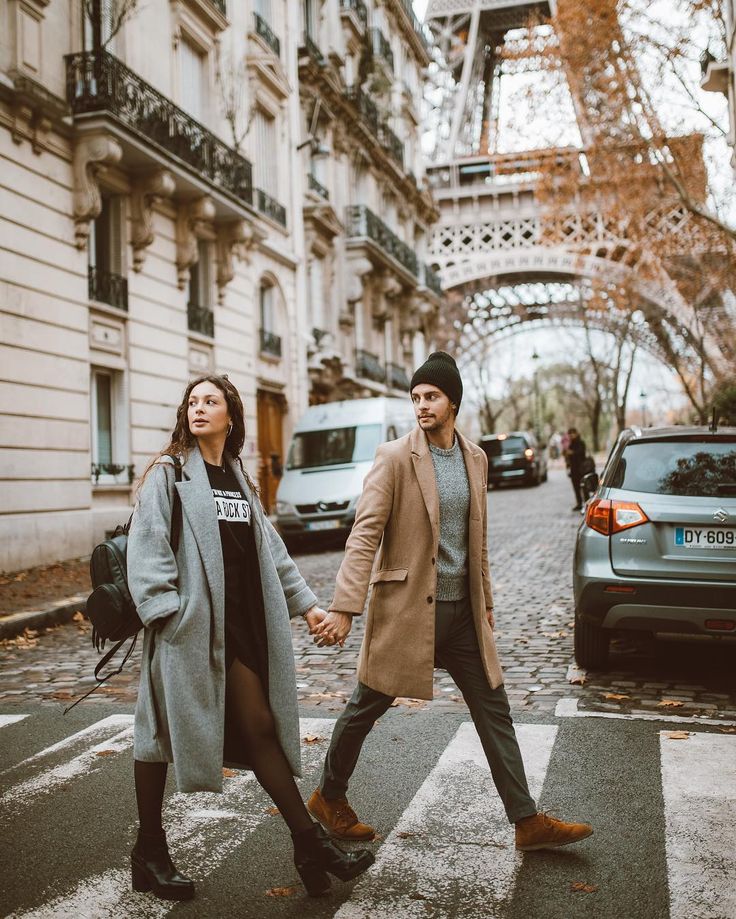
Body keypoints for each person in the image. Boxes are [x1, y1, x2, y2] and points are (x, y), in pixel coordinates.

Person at [306, 352, 593, 852]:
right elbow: (364, 534)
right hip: (407, 609)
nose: (421, 405)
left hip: (462, 614)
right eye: (416, 397)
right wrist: (345, 608)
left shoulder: (475, 457)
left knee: (494, 707)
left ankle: (526, 820)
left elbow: (476, 536)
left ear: (452, 401)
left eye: (431, 396)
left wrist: (484, 599)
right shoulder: (395, 457)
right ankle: (329, 796)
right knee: (364, 707)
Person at [126, 374, 374, 901]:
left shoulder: (238, 477)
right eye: (192, 401)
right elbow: (146, 552)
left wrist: (308, 608)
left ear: (230, 416)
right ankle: (150, 849)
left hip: (239, 631)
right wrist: (171, 615)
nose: (198, 408)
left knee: (260, 728)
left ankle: (309, 846)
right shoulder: (168, 475)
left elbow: (271, 553)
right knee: (156, 736)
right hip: (188, 632)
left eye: (210, 401)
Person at [565, 427, 587, 510]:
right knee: (576, 487)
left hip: (581, 469)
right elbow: (569, 458)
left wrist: (572, 453)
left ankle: (586, 503)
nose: (571, 436)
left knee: (584, 487)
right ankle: (579, 503)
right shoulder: (570, 444)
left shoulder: (581, 443)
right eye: (569, 434)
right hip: (573, 469)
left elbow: (581, 453)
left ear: (576, 433)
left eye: (572, 433)